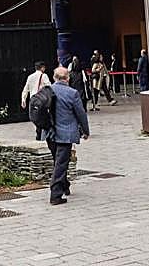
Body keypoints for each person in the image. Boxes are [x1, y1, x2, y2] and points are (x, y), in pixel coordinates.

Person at [44, 66, 89, 205]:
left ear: (54, 77)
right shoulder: (72, 93)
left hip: (49, 133)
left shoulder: (46, 91)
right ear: (68, 78)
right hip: (65, 134)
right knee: (61, 164)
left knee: (58, 161)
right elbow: (81, 114)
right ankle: (55, 195)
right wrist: (86, 131)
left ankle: (64, 186)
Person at [21, 61, 51, 139]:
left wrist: (23, 100)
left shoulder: (30, 77)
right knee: (43, 117)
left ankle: (38, 132)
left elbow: (25, 89)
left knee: (35, 117)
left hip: (33, 100)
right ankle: (42, 135)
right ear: (42, 68)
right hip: (42, 100)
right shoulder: (44, 76)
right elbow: (49, 87)